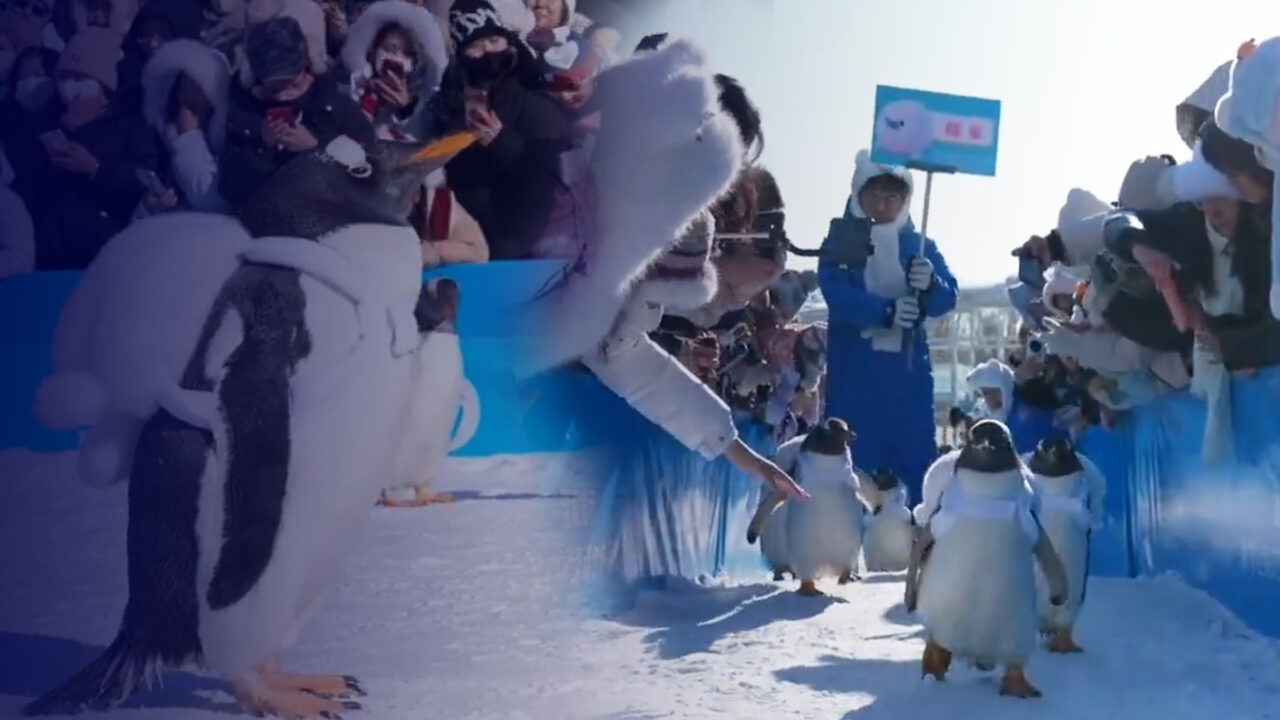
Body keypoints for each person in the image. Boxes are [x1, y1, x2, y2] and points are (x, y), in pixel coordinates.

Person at [819, 150, 958, 503]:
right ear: (858, 195)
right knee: (852, 466)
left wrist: (931, 284)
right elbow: (836, 293)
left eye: (892, 197)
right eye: (874, 196)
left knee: (913, 463)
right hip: (855, 377)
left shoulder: (920, 244)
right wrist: (884, 312)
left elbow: (946, 299)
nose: (882, 205)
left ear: (905, 199)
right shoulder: (841, 242)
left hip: (907, 377)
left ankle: (913, 541)